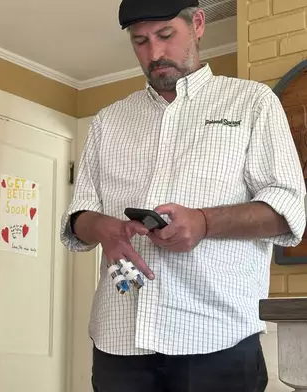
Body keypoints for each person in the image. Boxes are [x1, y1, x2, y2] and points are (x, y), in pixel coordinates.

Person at [60, 0, 306, 391]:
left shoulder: (253, 102)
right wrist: (103, 228)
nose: (154, 53)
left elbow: (288, 209)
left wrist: (204, 223)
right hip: (119, 339)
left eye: (165, 35)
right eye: (140, 41)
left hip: (219, 338)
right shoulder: (109, 120)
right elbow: (78, 216)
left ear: (198, 24)